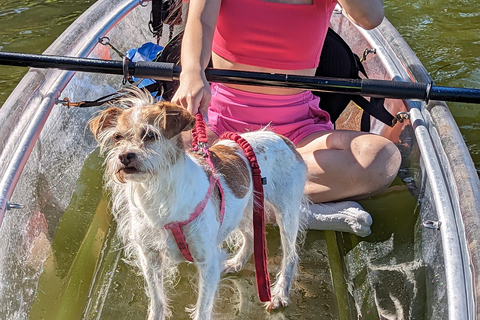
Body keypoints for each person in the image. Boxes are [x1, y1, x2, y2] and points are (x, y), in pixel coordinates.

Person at [171, 0, 401, 237]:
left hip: (297, 134)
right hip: (222, 126)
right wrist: (192, 71)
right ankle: (293, 209)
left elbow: (370, 18)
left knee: (381, 159)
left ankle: (232, 200)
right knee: (159, 152)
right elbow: (201, 21)